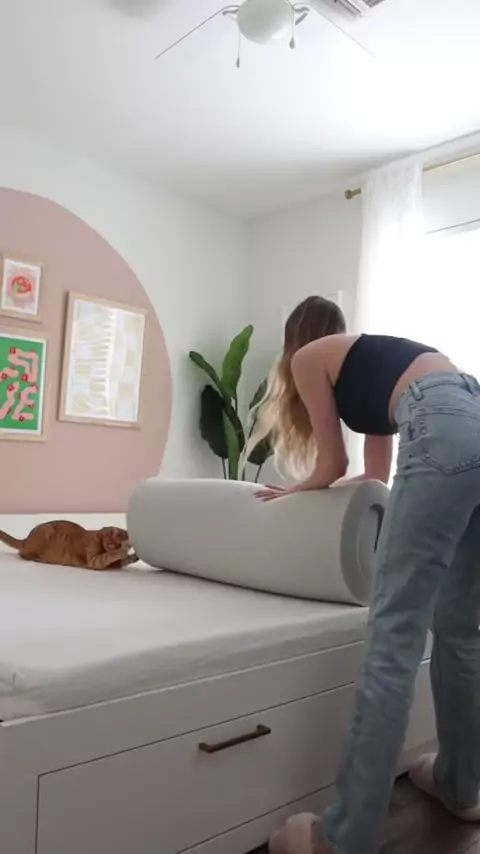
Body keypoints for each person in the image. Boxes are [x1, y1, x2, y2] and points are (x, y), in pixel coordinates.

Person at [249, 296, 480, 854]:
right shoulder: (372, 363)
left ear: (292, 339)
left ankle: (345, 836)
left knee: (395, 636)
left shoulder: (308, 359)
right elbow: (374, 473)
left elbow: (331, 466)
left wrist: (295, 490)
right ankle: (463, 786)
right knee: (460, 629)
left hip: (442, 421)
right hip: (473, 407)